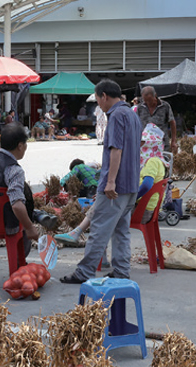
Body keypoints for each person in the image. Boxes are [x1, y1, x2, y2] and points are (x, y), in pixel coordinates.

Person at [60, 79, 142, 283]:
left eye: (98, 100)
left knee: (98, 230)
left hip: (117, 185)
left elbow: (116, 150)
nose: (99, 104)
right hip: (131, 184)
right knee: (121, 230)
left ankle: (84, 272)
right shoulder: (132, 114)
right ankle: (122, 271)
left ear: (104, 96)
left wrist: (110, 181)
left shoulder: (115, 116)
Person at [0, 122, 58, 256]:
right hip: (4, 224)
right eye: (25, 144)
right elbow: (17, 206)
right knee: (24, 219)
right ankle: (19, 263)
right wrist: (30, 227)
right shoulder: (14, 169)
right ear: (20, 146)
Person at [136, 86, 177, 152]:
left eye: (150, 100)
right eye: (146, 101)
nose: (148, 103)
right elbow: (135, 124)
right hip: (145, 145)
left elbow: (172, 123)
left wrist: (173, 141)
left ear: (155, 95)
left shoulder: (165, 106)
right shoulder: (140, 107)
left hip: (162, 144)